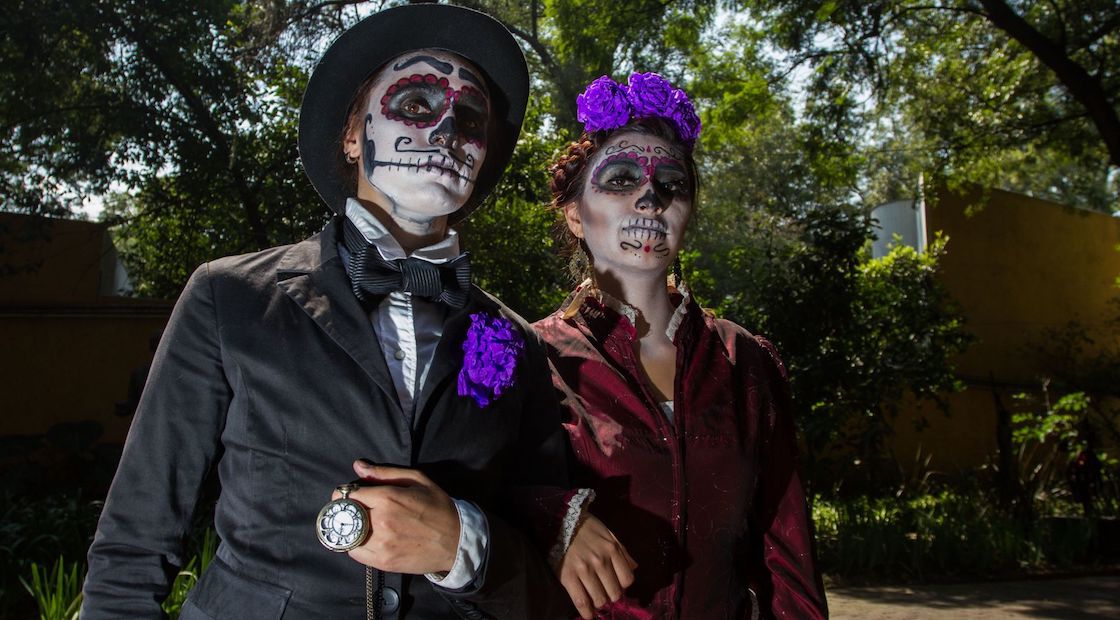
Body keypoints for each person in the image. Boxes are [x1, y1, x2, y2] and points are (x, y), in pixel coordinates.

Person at [82, 5, 577, 618]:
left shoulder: (516, 343)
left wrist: (465, 548)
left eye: (471, 117)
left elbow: (543, 556)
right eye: (417, 105)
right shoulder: (228, 297)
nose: (449, 130)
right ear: (351, 134)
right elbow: (135, 541)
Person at [534, 73, 829, 619]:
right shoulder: (530, 360)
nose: (650, 197)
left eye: (673, 184)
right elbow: (481, 501)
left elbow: (787, 554)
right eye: (620, 179)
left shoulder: (747, 361)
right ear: (574, 214)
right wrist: (555, 516)